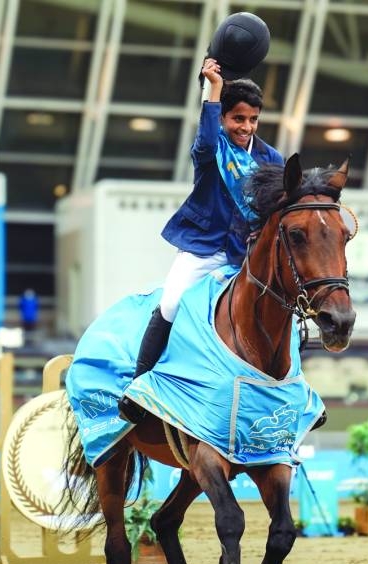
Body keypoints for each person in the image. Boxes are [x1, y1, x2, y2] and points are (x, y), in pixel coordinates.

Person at [118, 57, 283, 423]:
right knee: (172, 303)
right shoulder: (211, 150)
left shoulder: (272, 159)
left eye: (253, 119)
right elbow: (206, 137)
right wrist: (213, 89)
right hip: (204, 248)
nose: (246, 126)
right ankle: (139, 388)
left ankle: (292, 395)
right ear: (223, 117)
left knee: (279, 309)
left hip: (246, 255)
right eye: (238, 118)